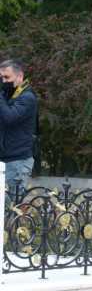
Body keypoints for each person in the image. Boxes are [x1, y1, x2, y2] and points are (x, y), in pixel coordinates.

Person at [0, 59, 38, 195]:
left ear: (20, 76)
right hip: (5, 159)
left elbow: (10, 118)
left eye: (7, 77)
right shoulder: (7, 96)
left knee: (10, 208)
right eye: (2, 78)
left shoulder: (27, 97)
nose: (4, 81)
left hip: (17, 161)